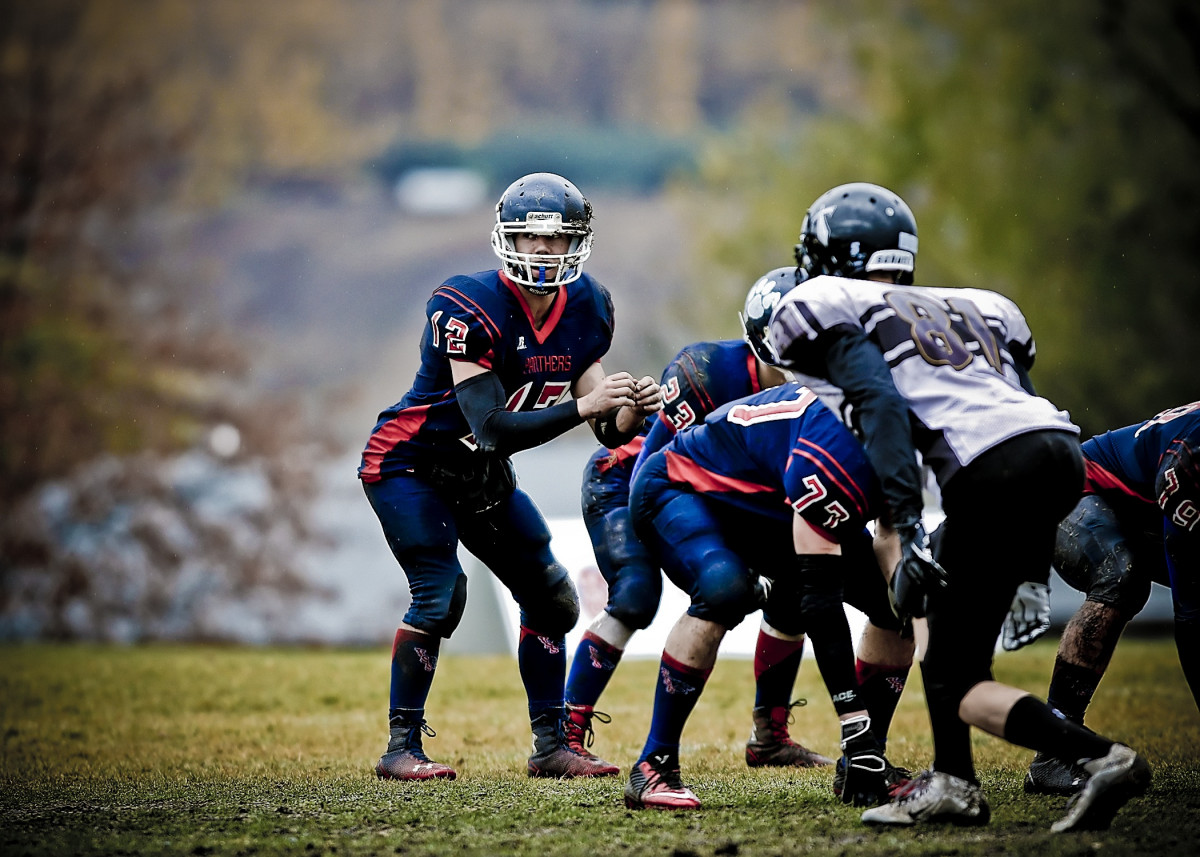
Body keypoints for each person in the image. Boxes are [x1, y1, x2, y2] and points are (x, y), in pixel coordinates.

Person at [766, 181, 1151, 832]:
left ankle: (1099, 756)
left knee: (951, 674)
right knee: (950, 648)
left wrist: (910, 527)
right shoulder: (973, 304)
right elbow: (1021, 405)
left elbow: (881, 403)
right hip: (1059, 451)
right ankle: (954, 781)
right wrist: (1031, 565)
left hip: (990, 470)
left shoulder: (821, 302)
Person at [358, 172, 662, 781]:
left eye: (557, 240)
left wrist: (630, 407)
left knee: (551, 598)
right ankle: (401, 748)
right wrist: (587, 408)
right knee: (440, 594)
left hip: (478, 469)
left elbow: (604, 422)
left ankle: (551, 747)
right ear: (507, 241)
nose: (545, 252)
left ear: (578, 243)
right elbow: (493, 425)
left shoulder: (588, 307)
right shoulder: (466, 305)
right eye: (532, 239)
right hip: (411, 461)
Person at [567, 268, 839, 774]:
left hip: (720, 490)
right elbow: (658, 473)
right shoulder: (706, 373)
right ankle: (567, 732)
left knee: (799, 581)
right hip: (631, 482)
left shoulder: (836, 382)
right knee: (641, 595)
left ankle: (770, 736)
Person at [623, 363, 914, 811]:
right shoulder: (836, 444)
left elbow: (889, 538)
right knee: (724, 589)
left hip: (769, 499)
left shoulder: (896, 429)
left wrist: (912, 600)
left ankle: (864, 760)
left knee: (898, 607)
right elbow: (820, 601)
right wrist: (850, 718)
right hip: (684, 485)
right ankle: (653, 766)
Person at [1023, 401, 1200, 795]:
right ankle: (1054, 752)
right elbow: (1190, 617)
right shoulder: (1192, 458)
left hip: (1139, 504)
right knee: (1122, 576)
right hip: (1073, 486)